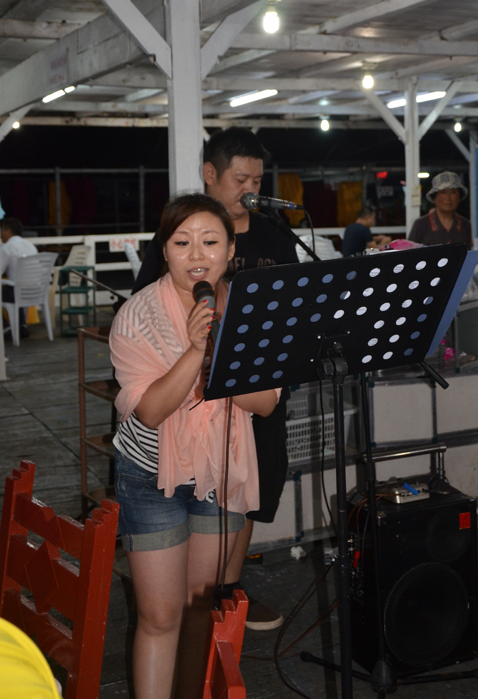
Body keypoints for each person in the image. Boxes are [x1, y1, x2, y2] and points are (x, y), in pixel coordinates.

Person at [110, 193, 279, 699]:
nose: (197, 255)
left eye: (210, 241)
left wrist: (224, 351)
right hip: (150, 475)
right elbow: (150, 411)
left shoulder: (254, 312)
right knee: (160, 616)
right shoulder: (136, 315)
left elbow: (265, 404)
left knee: (199, 605)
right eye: (182, 243)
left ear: (231, 249)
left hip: (219, 469)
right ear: (165, 250)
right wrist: (195, 350)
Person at [133, 129, 298, 631]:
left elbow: (294, 305)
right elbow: (148, 305)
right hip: (191, 402)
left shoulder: (275, 233)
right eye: (240, 178)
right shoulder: (183, 236)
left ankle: (230, 588)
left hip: (258, 388)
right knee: (193, 498)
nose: (251, 189)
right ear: (211, 174)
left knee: (250, 492)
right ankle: (193, 594)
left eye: (257, 180)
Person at [408, 171, 473, 247]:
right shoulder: (421, 225)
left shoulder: (465, 225)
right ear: (434, 197)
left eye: (453, 192)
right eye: (443, 192)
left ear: (459, 197)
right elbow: (409, 252)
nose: (448, 198)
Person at [1, 217, 38, 339]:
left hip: (18, 292)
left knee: (13, 287)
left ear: (8, 231)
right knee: (17, 284)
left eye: (1, 230)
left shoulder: (7, 248)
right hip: (36, 292)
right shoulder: (31, 246)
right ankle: (21, 325)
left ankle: (5, 327)